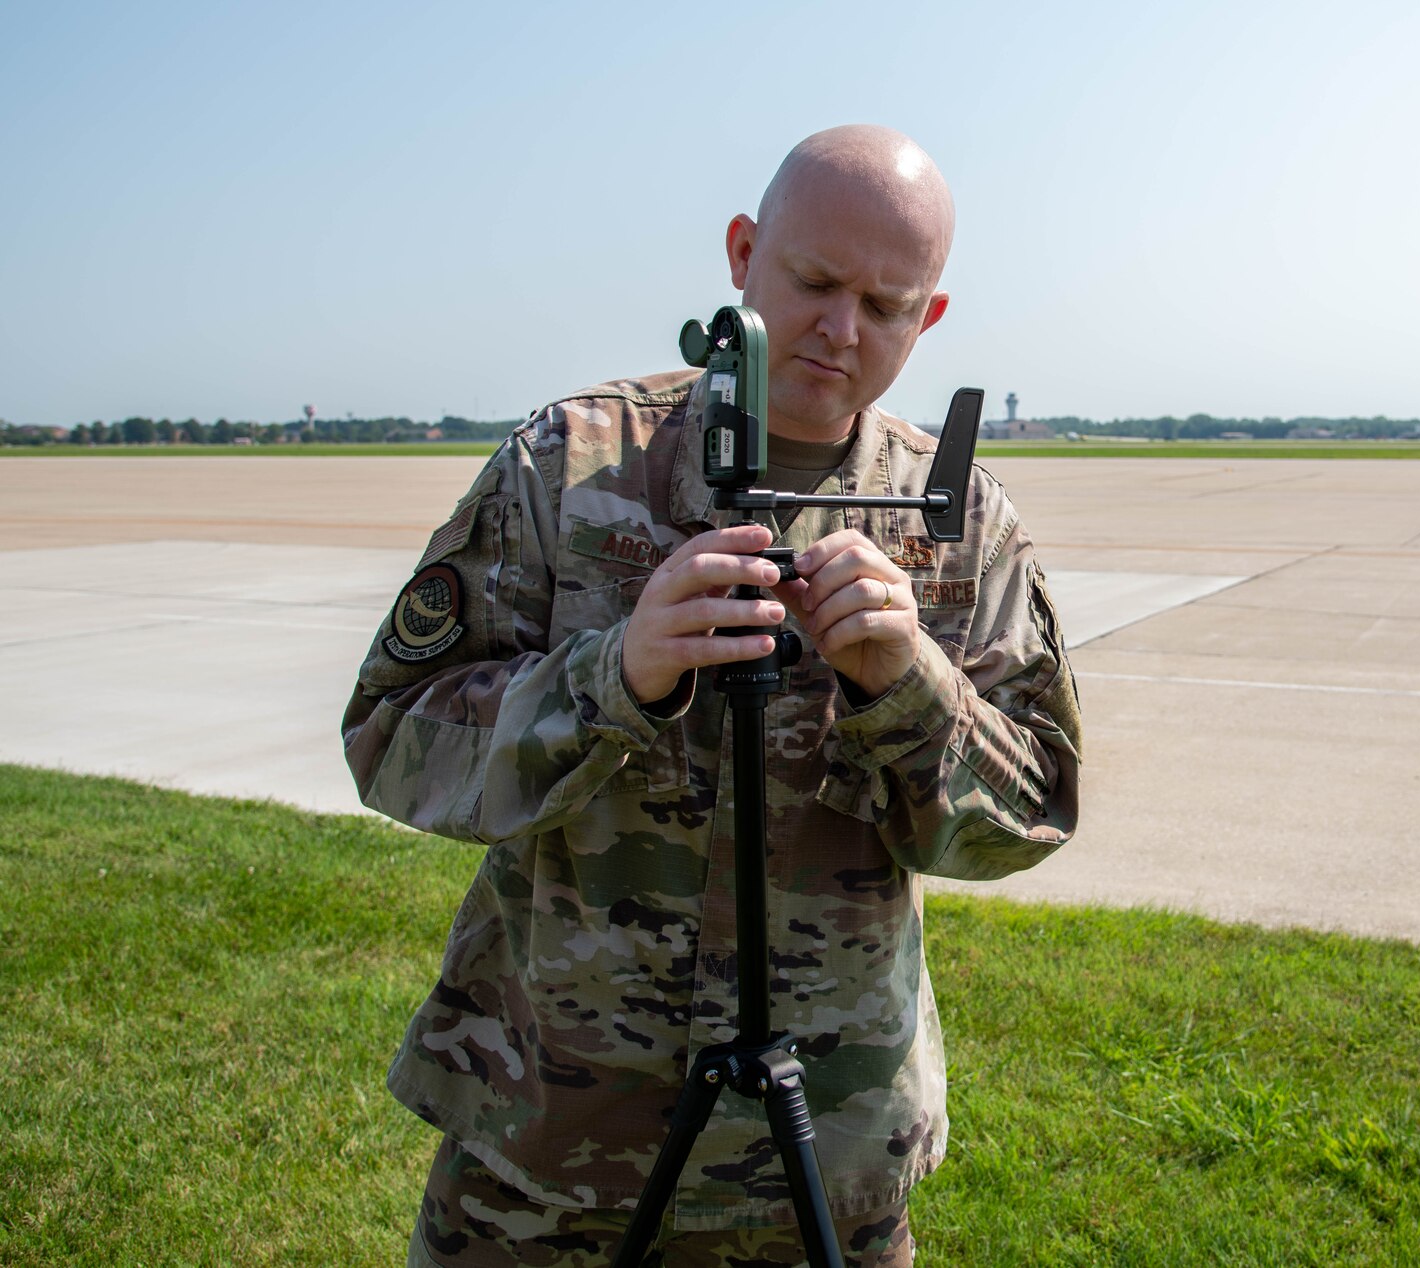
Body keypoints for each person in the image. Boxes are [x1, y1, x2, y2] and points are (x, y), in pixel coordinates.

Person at [343, 125, 1082, 1267]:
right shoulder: (572, 465)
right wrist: (612, 678)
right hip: (550, 1159)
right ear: (743, 253)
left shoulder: (958, 524)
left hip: (821, 1162)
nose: (842, 331)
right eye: (815, 281)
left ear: (928, 318)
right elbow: (391, 736)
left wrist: (909, 684)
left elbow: (1028, 815)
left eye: (886, 305)